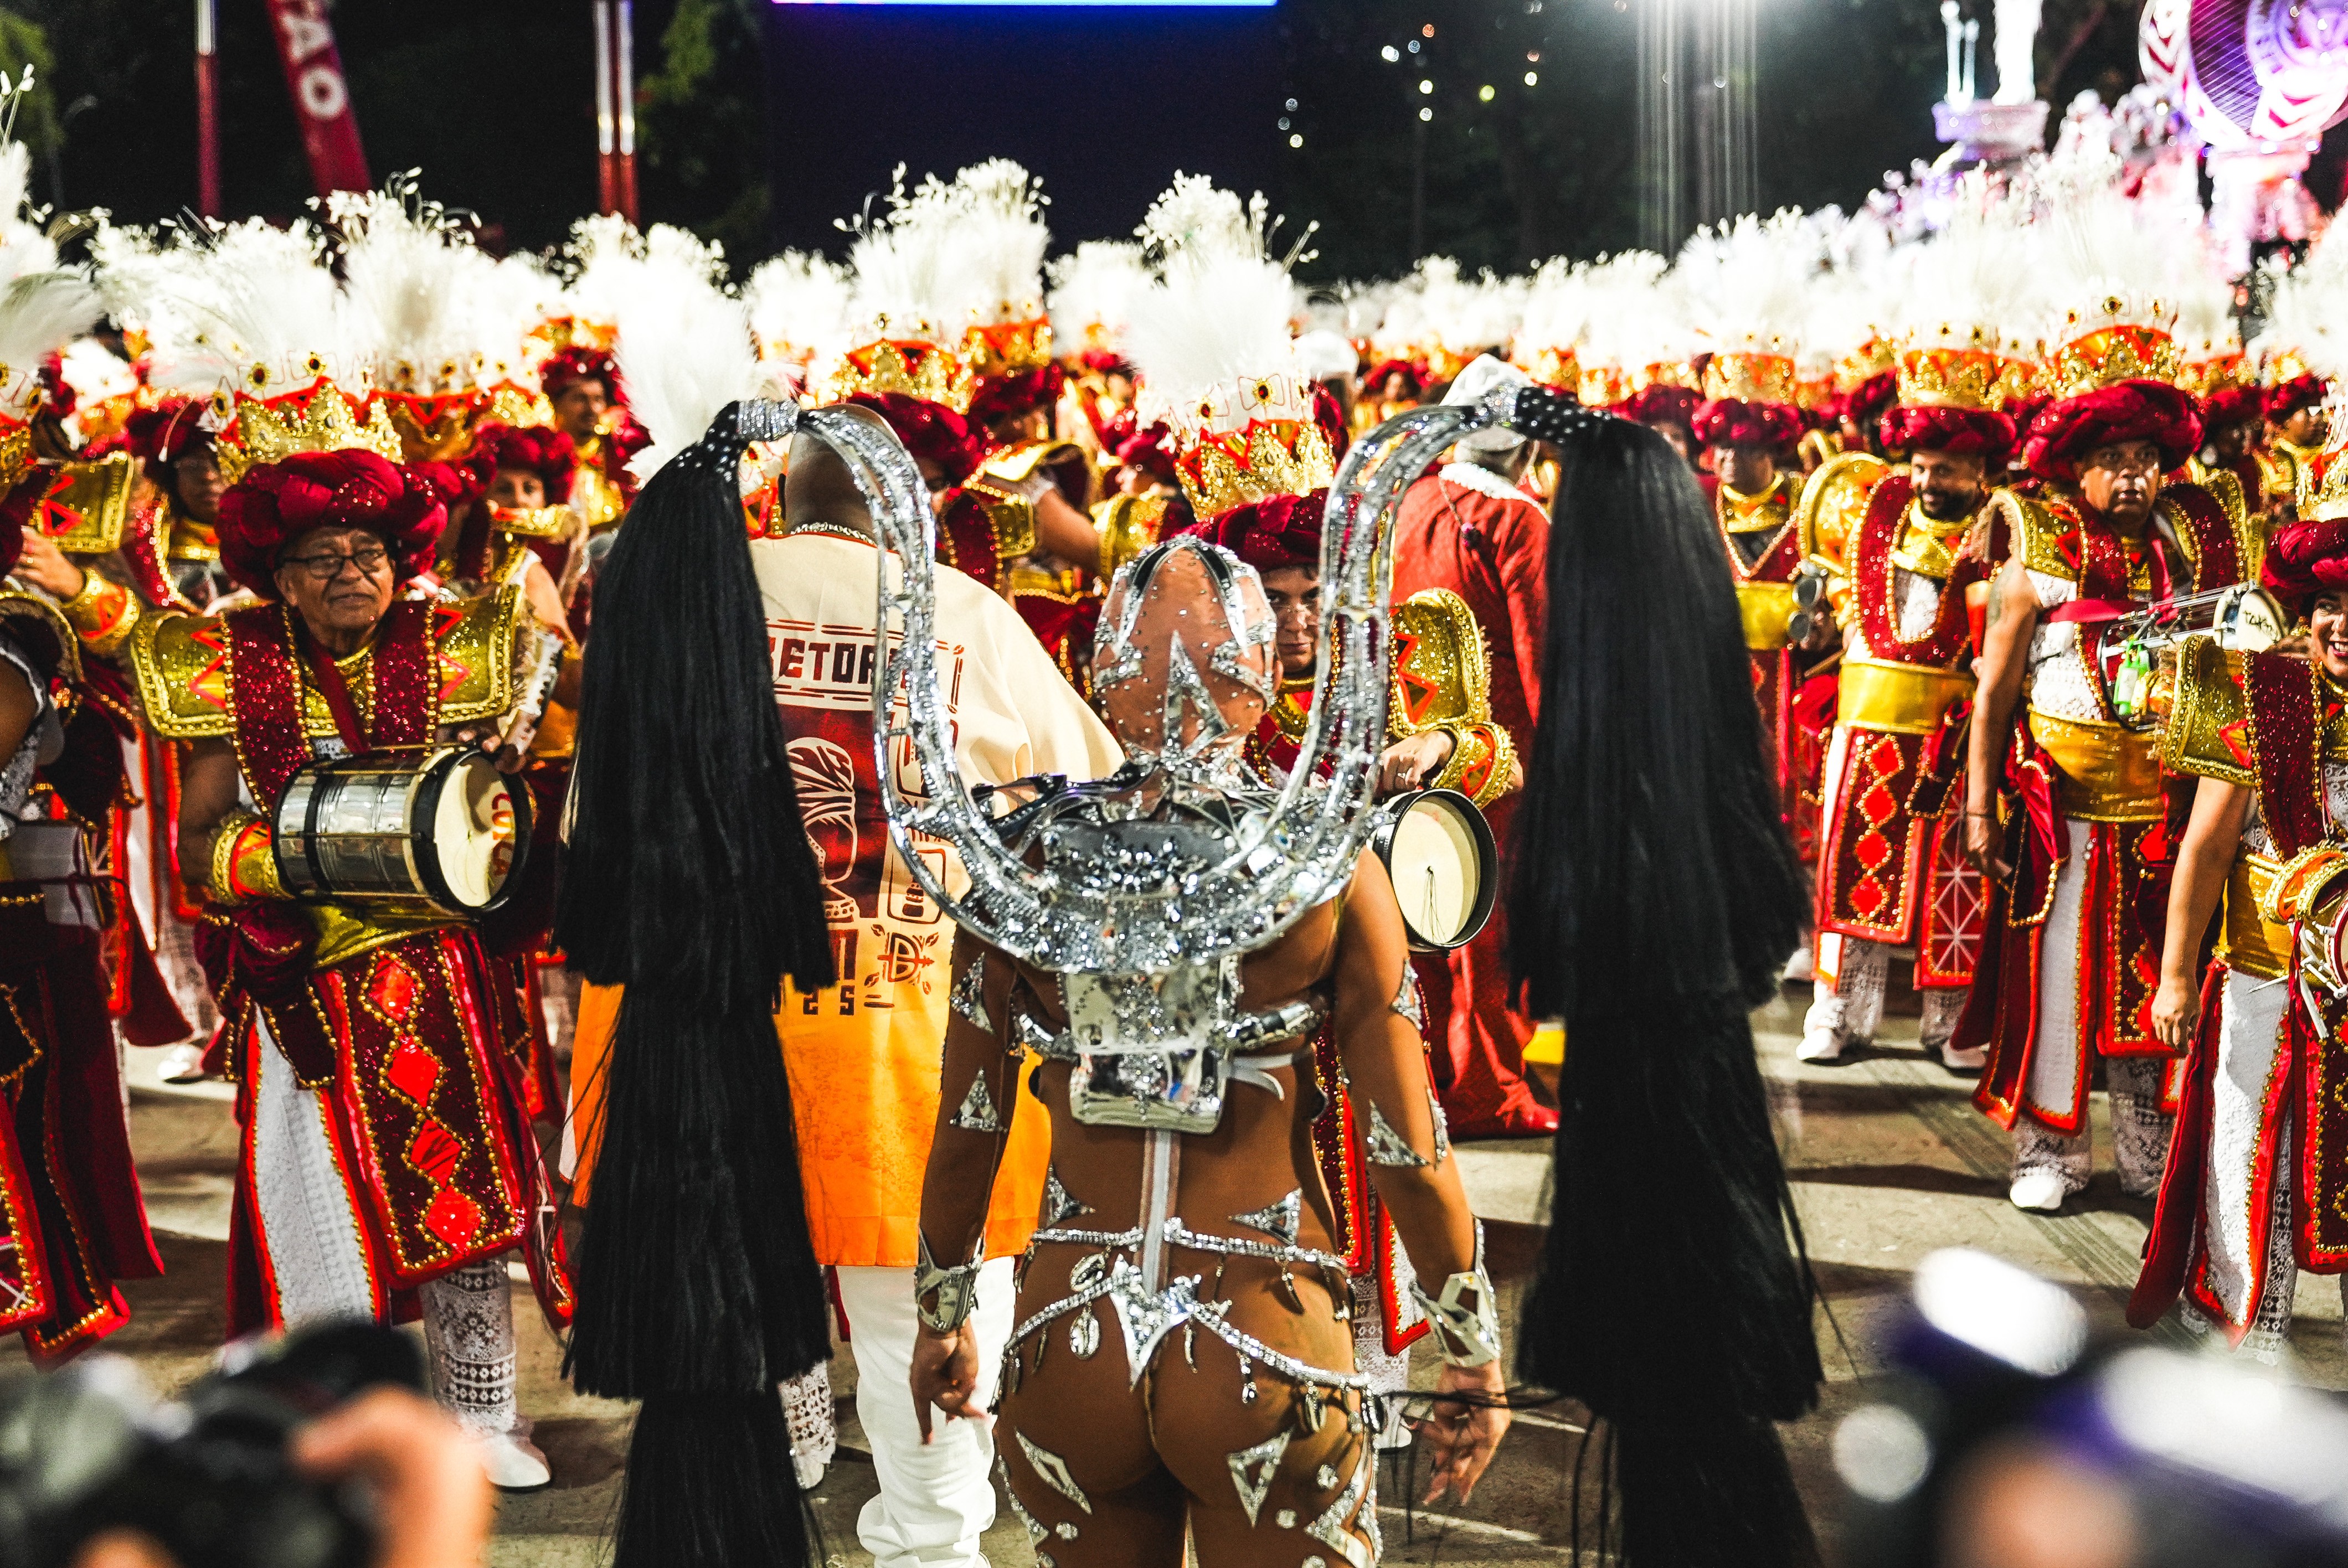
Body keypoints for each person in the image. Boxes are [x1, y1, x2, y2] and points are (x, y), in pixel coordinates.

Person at [566, 401, 1120, 1568]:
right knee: (923, 1336)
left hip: (695, 1051)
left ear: (782, 498)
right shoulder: (967, 614)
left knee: (717, 1343)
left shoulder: (681, 607)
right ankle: (929, 1549)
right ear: (908, 517)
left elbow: (587, 833)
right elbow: (1091, 811)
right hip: (903, 1051)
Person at [907, 535, 1510, 1564]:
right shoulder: (1326, 867)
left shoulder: (1018, 866)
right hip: (1266, 1347)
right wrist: (1472, 1354)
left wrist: (942, 1314)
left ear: (1100, 674)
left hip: (1068, 1350)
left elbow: (969, 1128)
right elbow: (1407, 1148)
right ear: (1265, 676)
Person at [25, 349, 572, 1480]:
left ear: (399, 559)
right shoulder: (220, 660)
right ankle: (337, 1423)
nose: (346, 576)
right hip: (301, 982)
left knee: (466, 1205)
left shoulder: (456, 643)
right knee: (315, 1211)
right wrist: (302, 864)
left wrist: (545, 632)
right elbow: (199, 846)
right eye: (320, 557)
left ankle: (481, 1416)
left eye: (366, 553)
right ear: (277, 570)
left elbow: (523, 767)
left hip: (435, 974)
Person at [1503, 394, 1820, 1565]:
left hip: (1632, 1113)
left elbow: (1544, 960)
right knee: (1705, 1424)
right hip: (1701, 1091)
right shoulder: (1698, 712)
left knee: (1671, 1419)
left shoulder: (1598, 740)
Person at [1958, 351, 2252, 1212]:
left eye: (2146, 460)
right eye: (2115, 461)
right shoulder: (2042, 547)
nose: (2134, 478)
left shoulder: (2192, 537)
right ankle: (2047, 1149)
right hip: (2065, 814)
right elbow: (1993, 693)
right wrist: (1980, 804)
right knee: (2057, 983)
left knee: (2156, 981)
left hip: (2164, 811)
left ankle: (2147, 1149)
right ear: (2078, 466)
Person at [2133, 507, 2348, 1359]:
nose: (2346, 624)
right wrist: (2177, 976)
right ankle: (2245, 1312)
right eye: (2332, 601)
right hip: (2260, 969)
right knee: (2249, 1142)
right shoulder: (2264, 696)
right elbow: (2208, 846)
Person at [1801, 352, 2011, 1070]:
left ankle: (1949, 1025)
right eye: (1921, 467)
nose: (1928, 483)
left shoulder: (2004, 529)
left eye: (1945, 471)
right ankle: (1837, 1016)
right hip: (1866, 726)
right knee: (1849, 877)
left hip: (1953, 734)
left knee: (1956, 884)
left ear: (1979, 471)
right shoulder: (1878, 504)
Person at [1388, 354, 1557, 1138]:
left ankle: (1425, 1072)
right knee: (1484, 928)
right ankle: (1487, 1086)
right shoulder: (1517, 519)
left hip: (1405, 744)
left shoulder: (1407, 499)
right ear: (1524, 450)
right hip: (1499, 754)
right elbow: (1540, 653)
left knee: (1425, 915)